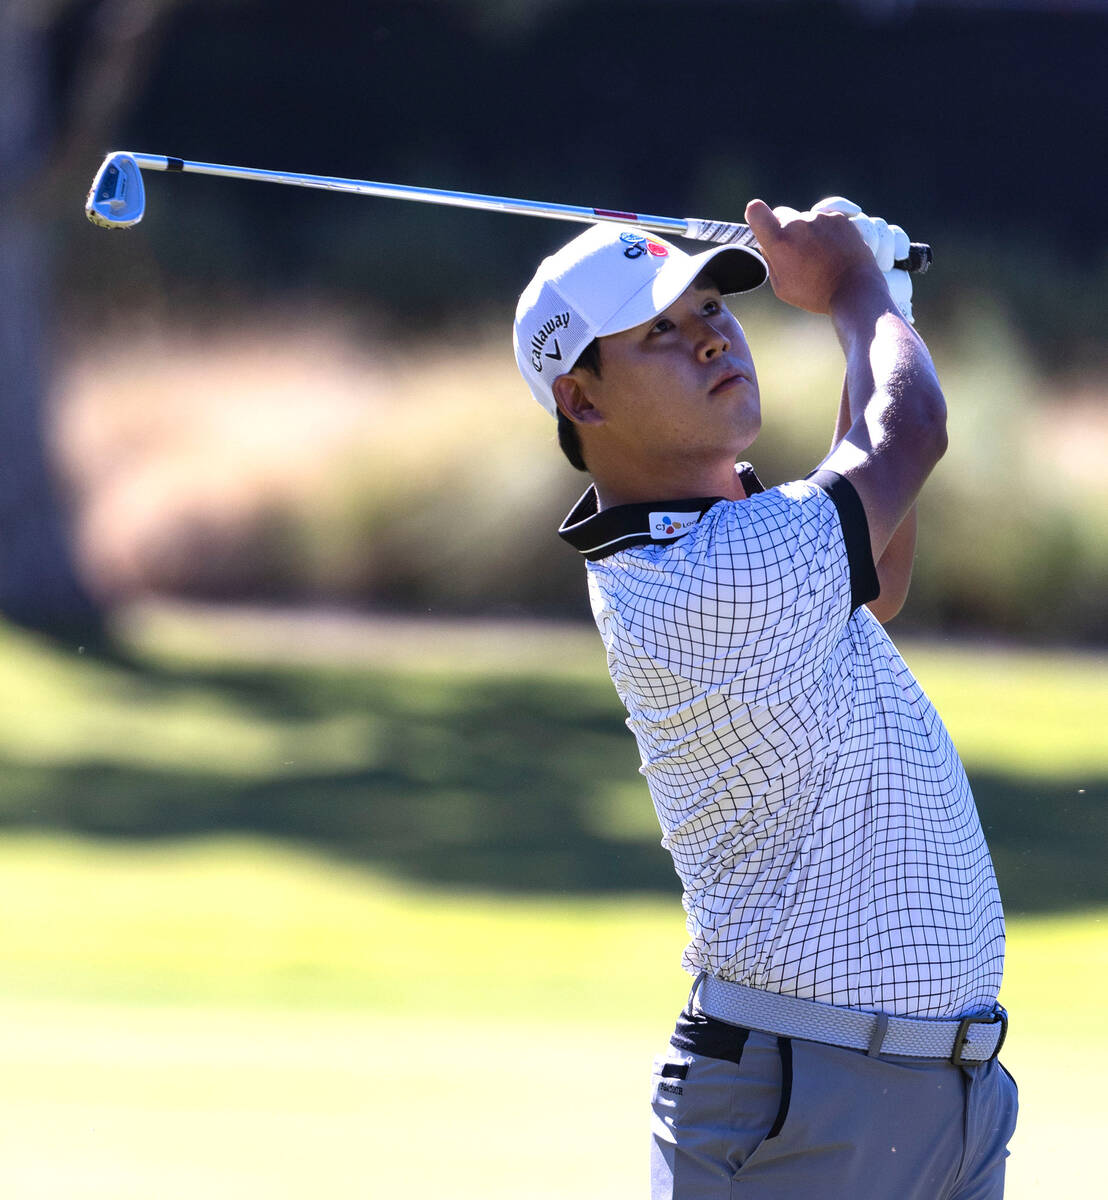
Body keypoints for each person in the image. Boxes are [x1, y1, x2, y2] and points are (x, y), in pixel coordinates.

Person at [513, 200, 1018, 1199]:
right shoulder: (715, 573)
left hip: (933, 1098)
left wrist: (883, 295)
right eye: (659, 330)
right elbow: (910, 429)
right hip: (806, 1107)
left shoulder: (736, 542)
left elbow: (886, 562)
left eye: (710, 308)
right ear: (581, 398)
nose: (709, 336)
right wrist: (851, 289)